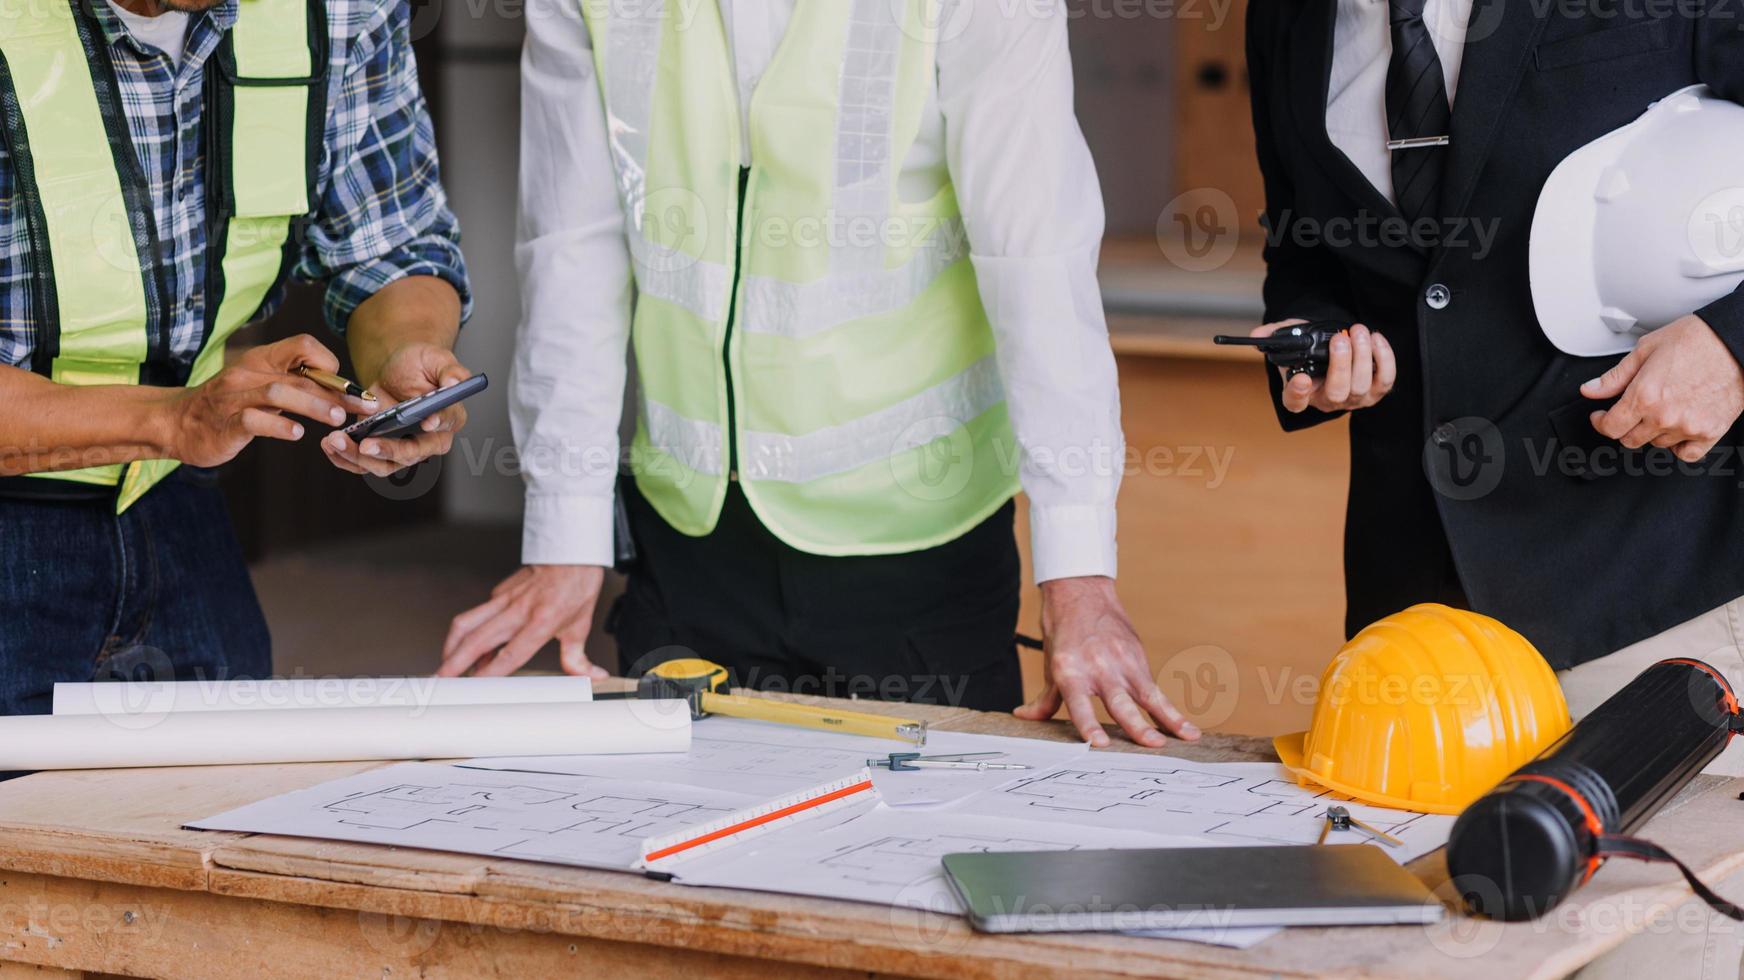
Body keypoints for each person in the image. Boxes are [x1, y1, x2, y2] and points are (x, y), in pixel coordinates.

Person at [442, 0, 1198, 747]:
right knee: (666, 848)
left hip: (915, 553)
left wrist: (1078, 575)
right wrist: (567, 533)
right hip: (688, 543)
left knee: (920, 853)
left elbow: (1037, 263)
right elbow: (571, 246)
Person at [1244, 1, 1744, 738]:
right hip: (1414, 615)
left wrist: (1733, 350)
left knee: (1666, 859)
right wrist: (1316, 337)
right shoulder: (1283, 17)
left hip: (1654, 587)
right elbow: (1301, 249)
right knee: (1403, 860)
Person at [0, 0, 473, 715]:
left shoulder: (344, 10)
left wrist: (404, 354)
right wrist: (173, 418)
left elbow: (390, 244)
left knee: (211, 818)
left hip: (179, 513)